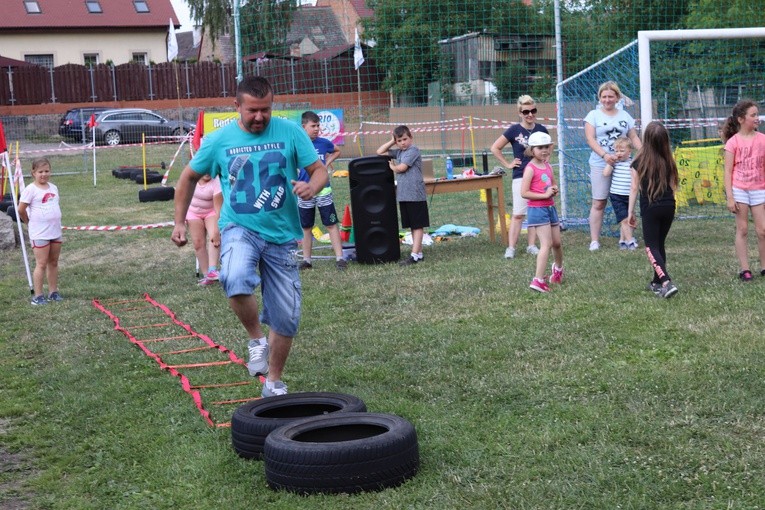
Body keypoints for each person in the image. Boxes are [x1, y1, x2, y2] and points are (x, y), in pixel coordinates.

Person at [171, 76, 328, 397]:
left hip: (283, 235)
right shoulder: (219, 140)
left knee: (286, 317)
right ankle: (256, 339)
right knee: (235, 275)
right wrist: (178, 223)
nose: (259, 117)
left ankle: (273, 381)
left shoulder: (290, 132)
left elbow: (318, 169)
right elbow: (187, 178)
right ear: (237, 106)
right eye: (253, 110)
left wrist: (312, 187)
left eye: (266, 110)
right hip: (239, 227)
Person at [584, 81, 642, 251]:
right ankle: (594, 240)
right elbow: (590, 139)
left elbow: (634, 137)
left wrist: (645, 152)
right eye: (604, 96)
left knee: (627, 199)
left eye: (611, 96)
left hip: (624, 165)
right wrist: (605, 155)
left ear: (617, 97)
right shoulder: (593, 115)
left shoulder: (625, 116)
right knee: (599, 202)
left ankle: (626, 237)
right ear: (599, 98)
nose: (607, 100)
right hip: (600, 162)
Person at [627, 121, 679, 299]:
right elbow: (673, 186)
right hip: (669, 207)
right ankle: (656, 282)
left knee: (650, 247)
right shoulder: (669, 161)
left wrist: (630, 212)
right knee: (659, 244)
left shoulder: (637, 163)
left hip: (650, 208)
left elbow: (634, 188)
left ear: (646, 140)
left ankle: (666, 282)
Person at [490, 95, 545, 259]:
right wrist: (507, 164)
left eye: (533, 110)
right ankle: (511, 248)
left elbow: (548, 148)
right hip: (520, 175)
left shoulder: (541, 129)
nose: (530, 114)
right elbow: (495, 148)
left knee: (534, 212)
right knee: (518, 213)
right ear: (520, 113)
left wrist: (544, 160)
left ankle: (531, 245)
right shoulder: (514, 130)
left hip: (538, 176)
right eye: (526, 111)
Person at [721, 100, 765, 281]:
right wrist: (730, 197)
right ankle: (745, 269)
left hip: (759, 189)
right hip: (740, 190)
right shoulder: (733, 142)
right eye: (753, 115)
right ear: (741, 119)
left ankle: (764, 266)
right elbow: (728, 171)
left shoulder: (762, 139)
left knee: (762, 230)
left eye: (757, 114)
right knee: (743, 229)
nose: (757, 118)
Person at [296, 111, 346, 271]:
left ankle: (340, 258)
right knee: (306, 227)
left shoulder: (324, 143)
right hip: (305, 192)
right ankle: (307, 260)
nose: (317, 128)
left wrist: (326, 163)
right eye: (313, 126)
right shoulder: (297, 144)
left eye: (318, 125)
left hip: (324, 191)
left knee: (331, 224)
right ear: (304, 127)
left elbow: (337, 151)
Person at [376, 125, 430, 266]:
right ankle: (419, 253)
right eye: (399, 140)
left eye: (405, 139)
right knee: (412, 225)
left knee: (417, 225)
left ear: (411, 138)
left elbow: (402, 168)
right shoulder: (399, 152)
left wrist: (393, 167)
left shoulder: (413, 150)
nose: (402, 143)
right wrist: (391, 141)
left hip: (415, 194)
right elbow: (379, 152)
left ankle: (413, 256)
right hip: (404, 194)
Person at [521, 132, 564, 293]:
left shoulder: (547, 166)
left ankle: (558, 270)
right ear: (532, 150)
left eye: (546, 147)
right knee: (546, 244)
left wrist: (554, 189)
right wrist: (544, 195)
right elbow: (524, 192)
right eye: (540, 147)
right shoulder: (530, 169)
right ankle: (538, 280)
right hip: (537, 210)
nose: (544, 150)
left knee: (557, 243)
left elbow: (551, 183)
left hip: (550, 207)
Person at [18, 157, 63, 305]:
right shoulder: (30, 190)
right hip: (40, 233)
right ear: (33, 173)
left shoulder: (53, 188)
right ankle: (38, 296)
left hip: (55, 231)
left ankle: (53, 292)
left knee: (54, 262)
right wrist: (29, 223)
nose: (43, 174)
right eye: (40, 172)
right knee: (41, 264)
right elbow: (21, 210)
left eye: (46, 171)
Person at [186, 174, 223, 285]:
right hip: (193, 212)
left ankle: (213, 270)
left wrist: (216, 231)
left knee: (214, 237)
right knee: (198, 243)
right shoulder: (191, 179)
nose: (207, 173)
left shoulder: (217, 183)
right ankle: (207, 276)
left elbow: (218, 209)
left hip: (211, 212)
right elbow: (183, 198)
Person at [603, 136, 638, 250]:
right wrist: (610, 162)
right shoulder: (615, 163)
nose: (619, 153)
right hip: (616, 195)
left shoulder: (632, 163)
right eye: (616, 151)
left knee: (630, 218)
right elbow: (605, 173)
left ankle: (622, 240)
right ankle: (630, 241)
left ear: (629, 151)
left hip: (629, 196)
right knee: (623, 219)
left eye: (622, 151)